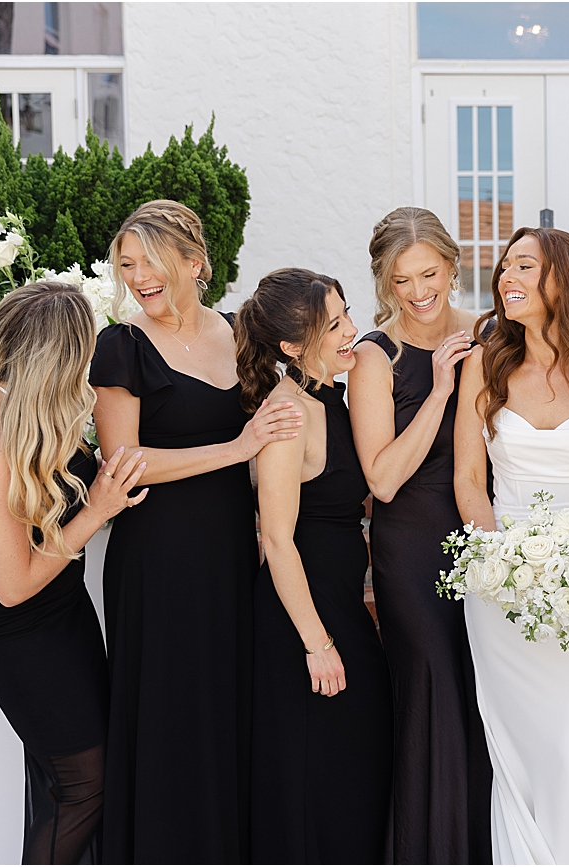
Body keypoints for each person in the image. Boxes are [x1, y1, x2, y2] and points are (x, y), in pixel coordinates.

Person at [89, 200, 302, 862]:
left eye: (150, 261)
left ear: (194, 262)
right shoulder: (120, 346)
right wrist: (237, 448)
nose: (138, 277)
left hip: (228, 555)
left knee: (223, 709)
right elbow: (123, 463)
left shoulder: (240, 332)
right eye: (127, 265)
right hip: (156, 562)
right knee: (165, 713)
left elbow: (283, 416)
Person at [453, 227, 569, 864]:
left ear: (563, 279)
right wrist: (498, 562)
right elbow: (468, 479)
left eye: (525, 266)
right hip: (499, 585)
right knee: (516, 744)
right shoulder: (485, 363)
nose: (507, 277)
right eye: (505, 266)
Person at [0, 282, 146, 863]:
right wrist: (97, 511)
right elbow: (12, 586)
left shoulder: (33, 403)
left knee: (74, 777)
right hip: (14, 627)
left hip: (63, 610)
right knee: (85, 783)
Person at [346, 207, 492, 864]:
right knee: (433, 687)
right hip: (412, 545)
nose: (417, 291)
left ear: (453, 267)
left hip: (486, 531)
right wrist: (438, 393)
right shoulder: (374, 356)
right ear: (385, 282)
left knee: (483, 687)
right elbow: (381, 478)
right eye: (401, 280)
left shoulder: (489, 332)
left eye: (428, 273)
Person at [236, 268, 394, 863]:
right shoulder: (289, 413)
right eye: (334, 325)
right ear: (292, 346)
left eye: (346, 314)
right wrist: (317, 644)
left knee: (352, 768)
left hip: (339, 607)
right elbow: (277, 540)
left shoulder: (330, 396)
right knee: (315, 781)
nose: (351, 330)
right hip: (303, 621)